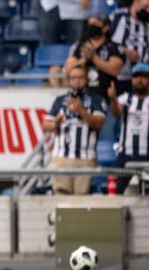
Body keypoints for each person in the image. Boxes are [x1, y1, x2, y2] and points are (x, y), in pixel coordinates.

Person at [42, 65, 107, 195]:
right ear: (68, 80)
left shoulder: (96, 100)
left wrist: (81, 111)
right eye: (73, 78)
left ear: (87, 80)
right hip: (62, 157)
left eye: (80, 77)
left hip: (85, 158)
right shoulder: (60, 101)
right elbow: (45, 124)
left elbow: (98, 124)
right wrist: (56, 123)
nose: (77, 81)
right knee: (61, 199)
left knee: (80, 202)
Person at [65, 12, 125, 141]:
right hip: (82, 99)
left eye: (96, 24)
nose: (92, 26)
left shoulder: (113, 47)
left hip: (105, 99)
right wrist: (83, 60)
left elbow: (115, 69)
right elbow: (68, 69)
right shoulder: (79, 46)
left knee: (104, 138)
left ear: (105, 28)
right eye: (90, 23)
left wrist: (94, 58)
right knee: (79, 138)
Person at [107, 63, 149, 195]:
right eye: (136, 76)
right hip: (126, 155)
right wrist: (112, 99)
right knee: (114, 192)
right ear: (132, 80)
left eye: (144, 76)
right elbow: (116, 112)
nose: (140, 80)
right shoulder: (125, 99)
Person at [110, 0, 149, 94]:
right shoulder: (119, 16)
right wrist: (124, 50)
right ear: (136, 1)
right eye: (146, 7)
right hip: (120, 76)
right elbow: (106, 42)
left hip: (143, 76)